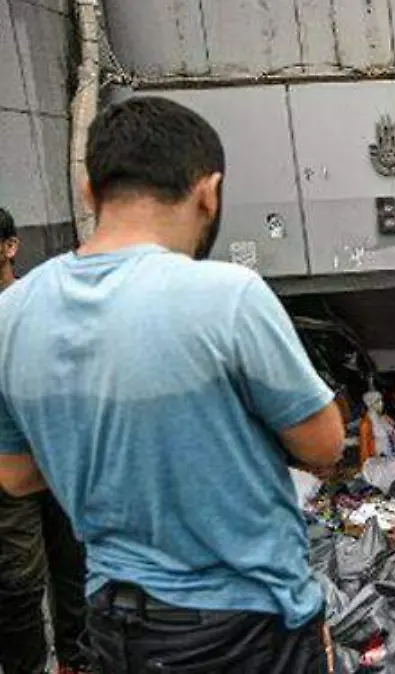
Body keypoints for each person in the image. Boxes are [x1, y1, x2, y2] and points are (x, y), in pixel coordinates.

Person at [0, 97, 346, 672]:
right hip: (246, 625)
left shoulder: (12, 316)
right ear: (208, 191)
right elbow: (324, 445)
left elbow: (15, 474)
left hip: (115, 624)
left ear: (91, 193)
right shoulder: (227, 296)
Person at [0, 207, 91, 674]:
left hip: (56, 457)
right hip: (6, 470)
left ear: (10, 246)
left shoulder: (39, 304)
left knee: (72, 566)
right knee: (17, 585)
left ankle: (75, 661)